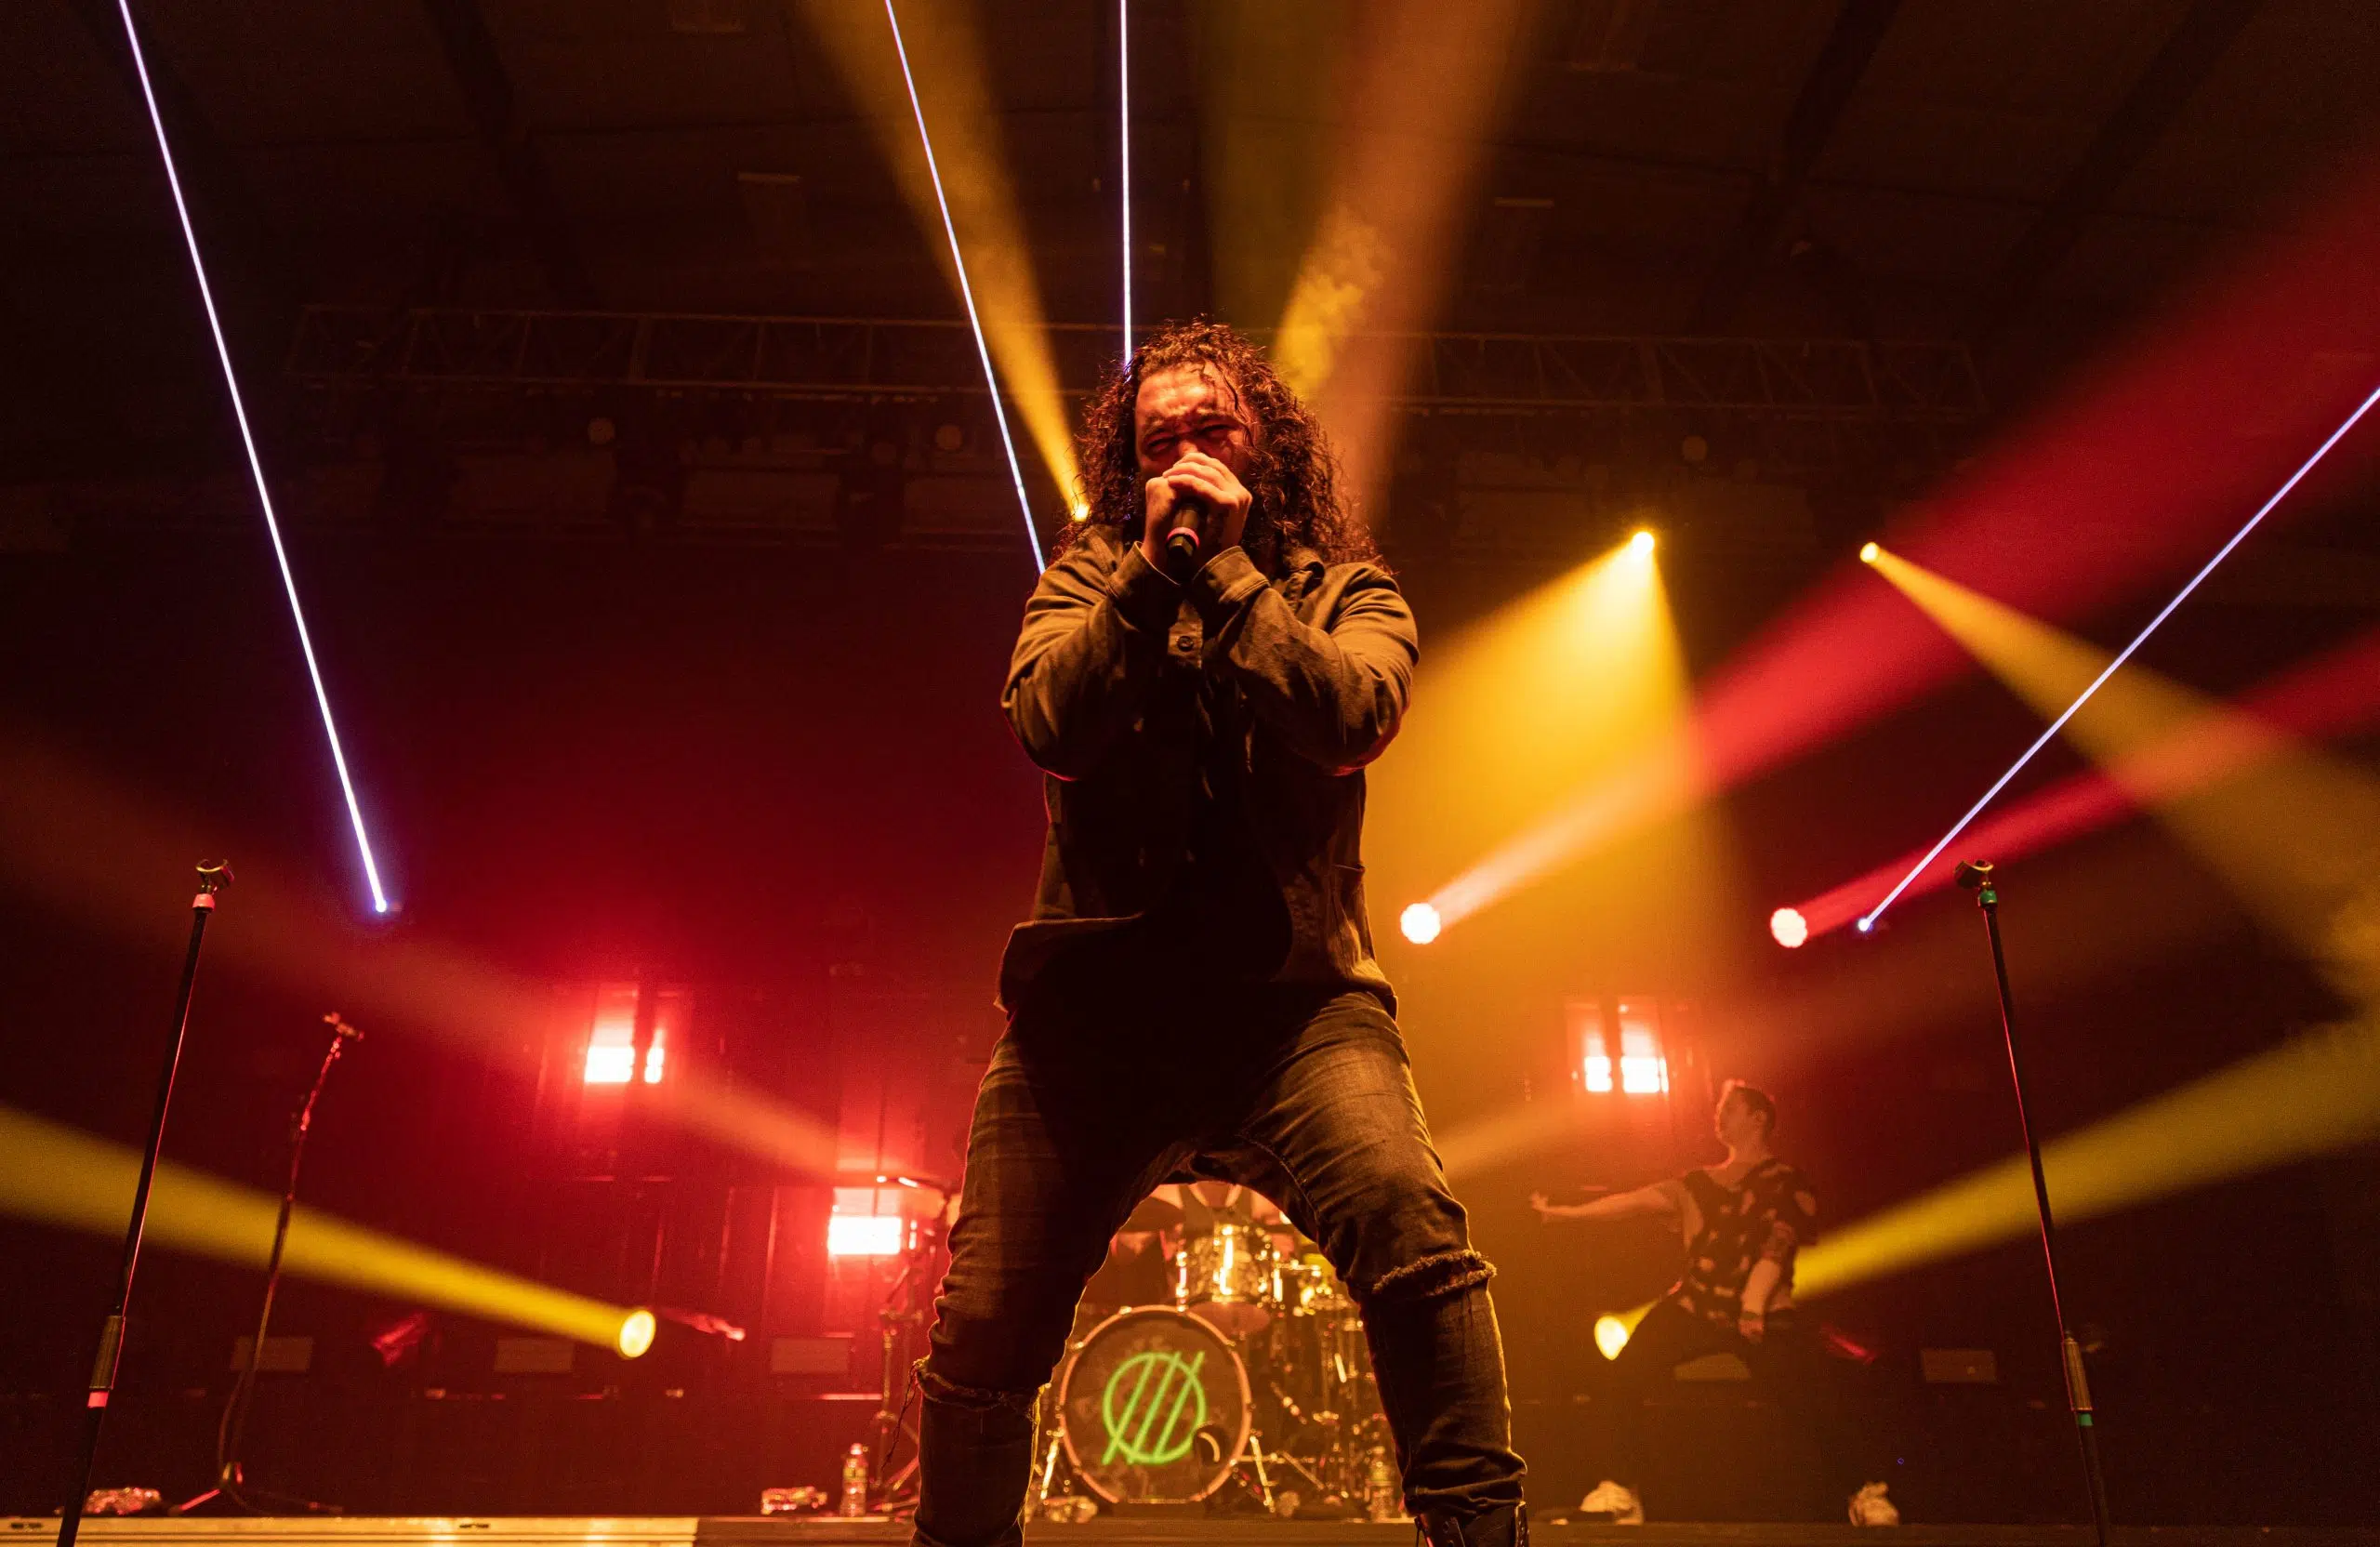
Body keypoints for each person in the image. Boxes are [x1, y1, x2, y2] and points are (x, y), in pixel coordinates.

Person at [913, 319, 1527, 1547]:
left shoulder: (1348, 591)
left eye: (1213, 430)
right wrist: (1150, 577)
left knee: (1412, 1227)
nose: (1187, 455)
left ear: (1267, 449)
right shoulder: (1089, 580)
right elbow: (1049, 727)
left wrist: (1236, 580)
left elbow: (1351, 718)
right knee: (983, 1322)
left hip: (1293, 1010)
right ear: (1129, 469)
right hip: (1096, 1017)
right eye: (1160, 442)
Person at [1531, 1080, 1897, 1527]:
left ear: (1758, 1118)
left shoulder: (1788, 1181)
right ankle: (1619, 1491)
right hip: (1697, 1306)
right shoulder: (1697, 1183)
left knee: (1812, 1397)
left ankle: (1864, 1494)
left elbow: (1777, 1246)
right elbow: (1630, 1202)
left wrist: (1752, 1305)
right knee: (1623, 1375)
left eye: (1729, 1107)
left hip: (1765, 1313)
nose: (1718, 1114)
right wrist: (1566, 1214)